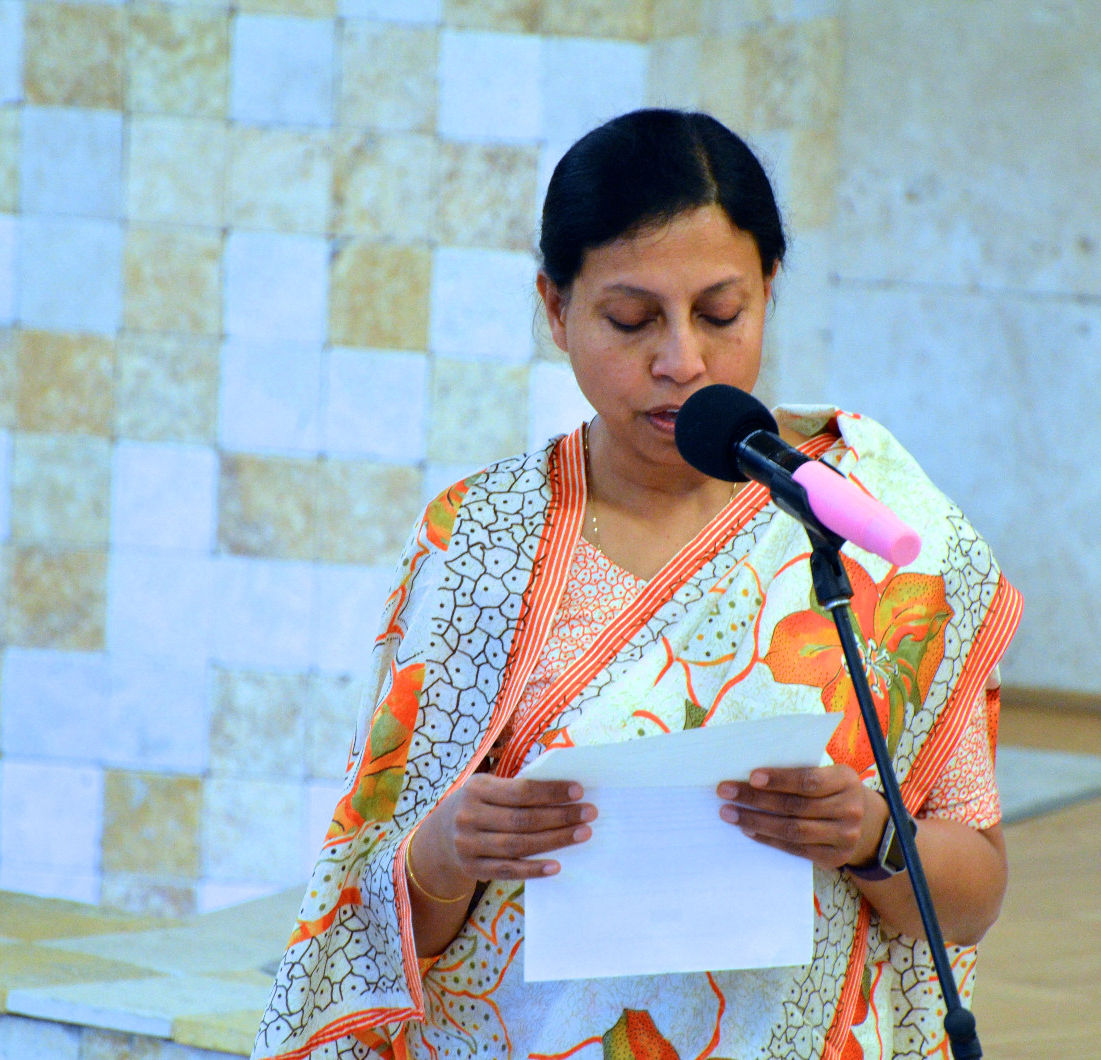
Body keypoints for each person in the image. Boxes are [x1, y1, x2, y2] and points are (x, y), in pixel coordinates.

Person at [253, 109, 1022, 1060]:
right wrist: (446, 853)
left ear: (770, 289)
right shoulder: (482, 542)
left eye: (721, 313)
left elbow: (974, 895)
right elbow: (369, 924)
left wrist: (869, 836)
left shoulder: (872, 520)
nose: (681, 361)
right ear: (555, 308)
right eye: (630, 319)